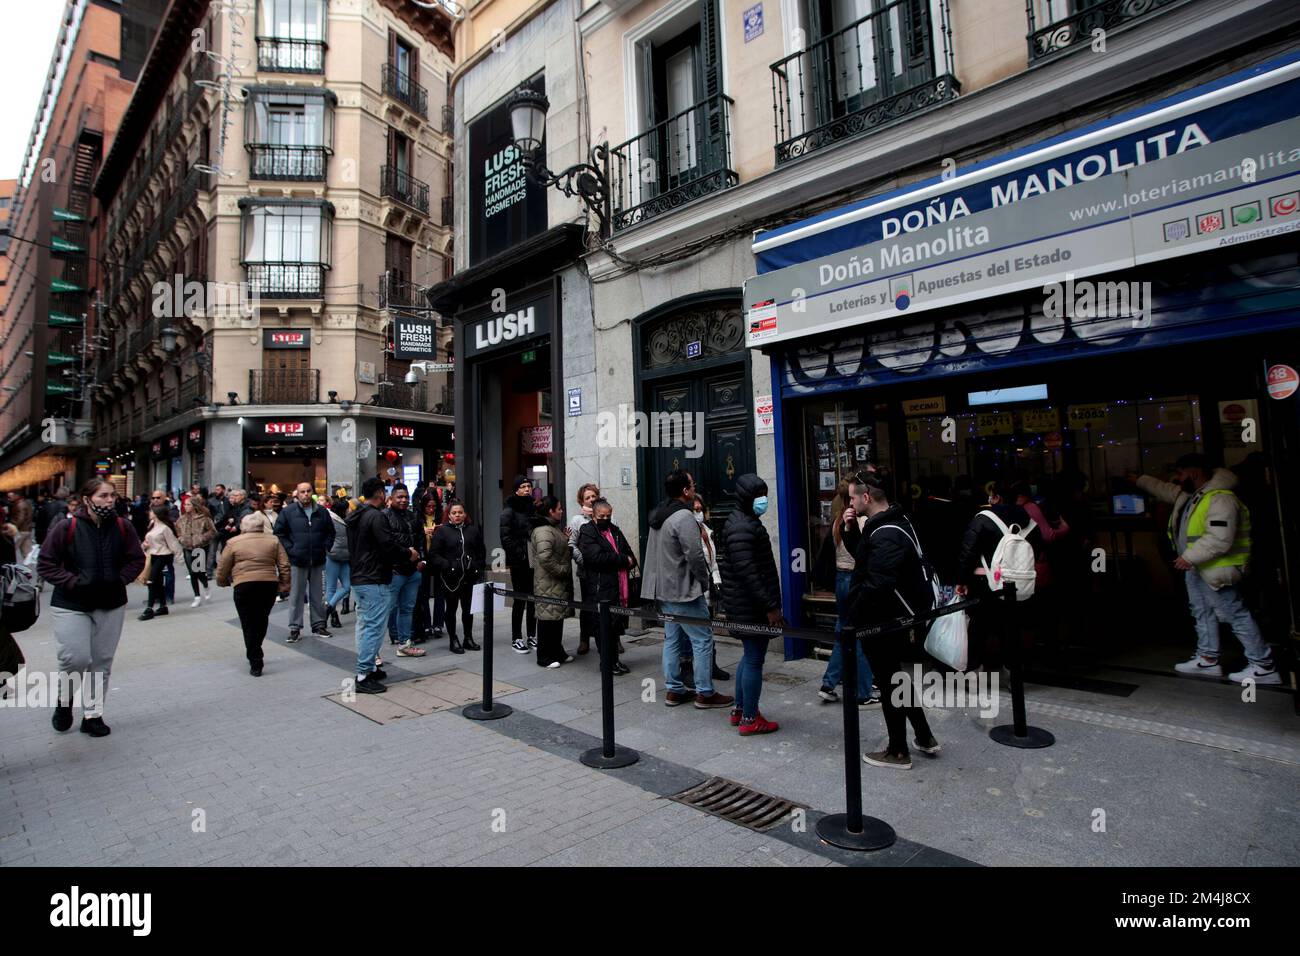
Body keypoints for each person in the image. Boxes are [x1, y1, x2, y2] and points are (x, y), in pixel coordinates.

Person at [1130, 454, 1279, 684]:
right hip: (1199, 567)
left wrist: (1189, 556)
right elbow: (1164, 489)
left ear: (1194, 473)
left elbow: (1220, 538)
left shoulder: (1220, 498)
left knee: (1235, 614)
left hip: (1217, 568)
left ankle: (1263, 665)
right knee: (1202, 612)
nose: (1177, 479)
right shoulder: (1192, 496)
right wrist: (1140, 479)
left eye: (1180, 474)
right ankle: (1208, 659)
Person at [845, 471, 940, 770]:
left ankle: (898, 750)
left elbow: (878, 583)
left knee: (888, 683)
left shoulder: (885, 532)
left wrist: (853, 618)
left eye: (852, 497)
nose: (849, 502)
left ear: (867, 497)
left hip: (885, 619)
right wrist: (850, 530)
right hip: (894, 616)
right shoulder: (893, 522)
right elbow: (868, 559)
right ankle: (924, 737)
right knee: (895, 677)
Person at [36, 479, 145, 737]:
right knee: (75, 658)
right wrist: (73, 582)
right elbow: (46, 564)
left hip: (110, 603)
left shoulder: (122, 526)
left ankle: (93, 715)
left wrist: (119, 580)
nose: (110, 501)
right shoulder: (67, 527)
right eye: (103, 496)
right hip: (72, 603)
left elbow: (137, 559)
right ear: (87, 499)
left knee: (101, 662)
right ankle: (64, 703)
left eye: (112, 496)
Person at [642, 470, 733, 710]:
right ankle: (705, 692)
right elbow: (694, 555)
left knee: (672, 638)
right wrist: (704, 581)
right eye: (692, 484)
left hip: (663, 589)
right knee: (702, 640)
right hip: (684, 589)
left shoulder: (659, 515)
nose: (694, 488)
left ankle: (674, 689)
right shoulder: (683, 517)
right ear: (685, 491)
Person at [955, 479, 1043, 672]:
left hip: (984, 581)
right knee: (1011, 628)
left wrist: (962, 580)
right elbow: (1036, 548)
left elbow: (968, 551)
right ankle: (1013, 671)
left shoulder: (982, 518)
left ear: (996, 498)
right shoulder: (1028, 520)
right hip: (1018, 584)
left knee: (979, 627)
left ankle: (974, 670)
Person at [717, 474, 782, 735]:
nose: (764, 501)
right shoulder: (743, 527)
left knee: (749, 655)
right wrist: (770, 606)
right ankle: (750, 718)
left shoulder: (741, 522)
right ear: (747, 498)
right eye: (759, 496)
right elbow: (749, 572)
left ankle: (740, 710)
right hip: (751, 606)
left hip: (744, 604)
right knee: (755, 658)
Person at [347, 477, 411, 694]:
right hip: (374, 578)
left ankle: (370, 668)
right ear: (381, 493)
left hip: (359, 577)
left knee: (365, 625)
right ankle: (364, 673)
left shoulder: (357, 515)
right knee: (373, 627)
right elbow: (388, 546)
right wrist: (408, 554)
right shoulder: (376, 516)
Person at [818, 479, 877, 707]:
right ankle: (863, 690)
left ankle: (829, 683)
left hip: (840, 579)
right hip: (853, 579)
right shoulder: (857, 520)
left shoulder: (837, 522)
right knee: (858, 635)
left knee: (844, 631)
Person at [216, 512, 292, 676]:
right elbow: (284, 564)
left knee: (247, 621)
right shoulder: (273, 540)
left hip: (244, 584)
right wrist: (284, 584)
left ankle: (255, 658)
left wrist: (222, 581)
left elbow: (223, 566)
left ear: (243, 527)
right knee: (261, 617)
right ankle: (256, 648)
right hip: (268, 584)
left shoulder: (233, 542)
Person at [576, 498, 634, 675]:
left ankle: (615, 660)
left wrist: (625, 559)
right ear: (594, 516)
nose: (606, 518)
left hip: (618, 585)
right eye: (602, 516)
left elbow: (629, 552)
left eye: (609, 515)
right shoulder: (587, 532)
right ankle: (606, 663)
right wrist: (622, 560)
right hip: (601, 587)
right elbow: (595, 558)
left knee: (615, 627)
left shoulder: (614, 530)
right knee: (604, 628)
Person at [274, 482, 335, 643]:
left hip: (317, 559)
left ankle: (319, 625)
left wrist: (326, 547)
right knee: (296, 595)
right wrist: (291, 549)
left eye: (308, 491)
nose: (306, 494)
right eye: (302, 492)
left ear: (312, 493)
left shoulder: (321, 512)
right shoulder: (288, 512)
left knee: (317, 595)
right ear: (297, 494)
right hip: (297, 560)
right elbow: (279, 532)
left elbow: (330, 531)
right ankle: (295, 627)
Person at [428, 499, 486, 654]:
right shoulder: (442, 531)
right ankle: (453, 639)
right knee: (451, 609)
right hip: (450, 579)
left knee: (468, 609)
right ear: (449, 515)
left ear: (465, 514)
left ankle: (468, 638)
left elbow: (481, 551)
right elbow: (434, 555)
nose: (457, 515)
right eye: (454, 513)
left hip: (469, 576)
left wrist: (477, 567)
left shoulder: (472, 530)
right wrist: (448, 566)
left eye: (460, 512)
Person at [687, 496, 728, 683]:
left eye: (700, 509)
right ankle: (692, 668)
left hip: (709, 585)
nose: (699, 513)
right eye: (694, 510)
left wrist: (717, 582)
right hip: (694, 588)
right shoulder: (687, 532)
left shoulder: (707, 531)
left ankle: (712, 665)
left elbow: (712, 561)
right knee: (696, 631)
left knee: (707, 626)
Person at [529, 495, 574, 668]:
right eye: (559, 508)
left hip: (555, 583)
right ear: (550, 511)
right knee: (547, 620)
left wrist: (565, 540)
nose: (562, 511)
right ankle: (544, 656)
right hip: (549, 583)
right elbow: (545, 558)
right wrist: (562, 570)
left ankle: (557, 651)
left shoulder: (551, 528)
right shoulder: (543, 530)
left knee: (556, 618)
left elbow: (554, 551)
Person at [383, 484, 427, 658]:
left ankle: (404, 644)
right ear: (391, 498)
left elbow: (421, 539)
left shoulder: (413, 516)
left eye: (405, 496)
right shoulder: (384, 517)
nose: (403, 500)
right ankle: (374, 650)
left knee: (407, 608)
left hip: (413, 571)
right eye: (399, 497)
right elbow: (386, 544)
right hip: (394, 572)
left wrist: (422, 559)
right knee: (386, 609)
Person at [500, 475, 538, 654]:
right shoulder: (508, 511)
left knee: (533, 599)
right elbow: (505, 538)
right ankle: (517, 637)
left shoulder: (533, 509)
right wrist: (520, 554)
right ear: (516, 490)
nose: (526, 489)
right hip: (519, 560)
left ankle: (532, 635)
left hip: (534, 559)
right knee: (520, 599)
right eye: (522, 486)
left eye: (528, 486)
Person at [569, 483, 599, 655]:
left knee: (609, 604)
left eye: (593, 496)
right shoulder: (577, 520)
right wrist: (584, 561)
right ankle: (584, 639)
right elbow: (572, 544)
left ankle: (614, 638)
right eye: (587, 497)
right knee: (587, 606)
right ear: (582, 500)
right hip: (586, 570)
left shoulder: (606, 513)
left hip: (604, 570)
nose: (591, 500)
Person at [411, 492, 445, 643]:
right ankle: (427, 624)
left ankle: (438, 624)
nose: (431, 509)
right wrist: (423, 531)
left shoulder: (441, 517)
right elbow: (413, 536)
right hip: (424, 558)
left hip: (437, 558)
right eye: (428, 506)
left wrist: (440, 531)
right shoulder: (417, 519)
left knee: (440, 593)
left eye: (433, 506)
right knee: (423, 594)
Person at [139, 505, 183, 621]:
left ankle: (149, 608)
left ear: (157, 514)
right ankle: (163, 606)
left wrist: (180, 559)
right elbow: (146, 541)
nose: (149, 513)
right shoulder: (152, 525)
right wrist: (144, 546)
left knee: (151, 581)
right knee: (157, 582)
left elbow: (173, 544)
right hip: (152, 555)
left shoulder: (165, 528)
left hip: (163, 555)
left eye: (151, 511)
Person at [177, 496, 217, 607]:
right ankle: (197, 596)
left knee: (198, 570)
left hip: (200, 547)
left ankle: (205, 585)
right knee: (192, 572)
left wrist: (202, 538)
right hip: (187, 547)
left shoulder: (203, 518)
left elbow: (212, 531)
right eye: (185, 504)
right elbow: (178, 530)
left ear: (195, 506)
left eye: (188, 504)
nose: (186, 506)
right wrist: (181, 539)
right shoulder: (182, 519)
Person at [323, 497, 351, 628]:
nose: (349, 511)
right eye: (347, 509)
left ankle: (328, 608)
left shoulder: (344, 519)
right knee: (331, 587)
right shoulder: (331, 519)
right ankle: (333, 616)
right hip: (333, 556)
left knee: (346, 586)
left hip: (343, 556)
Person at [7, 492, 34, 561]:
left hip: (20, 531)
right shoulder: (25, 503)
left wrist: (12, 527)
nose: (8, 499)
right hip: (26, 530)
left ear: (16, 496)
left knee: (9, 550)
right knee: (27, 554)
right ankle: (28, 570)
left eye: (10, 497)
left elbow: (20, 518)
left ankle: (9, 568)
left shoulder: (19, 504)